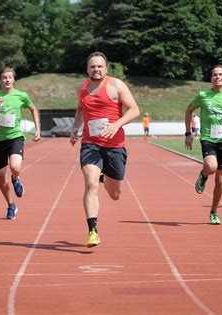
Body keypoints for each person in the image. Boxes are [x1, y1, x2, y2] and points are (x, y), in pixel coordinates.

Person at [70, 52, 140, 247]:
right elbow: (80, 108)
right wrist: (76, 127)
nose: (96, 69)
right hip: (90, 144)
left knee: (115, 194)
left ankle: (104, 177)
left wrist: (116, 124)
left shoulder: (116, 85)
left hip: (114, 146)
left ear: (106, 69)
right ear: (87, 69)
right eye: (93, 66)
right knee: (90, 183)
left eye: (100, 66)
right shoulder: (81, 88)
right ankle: (93, 230)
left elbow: (134, 109)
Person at [185, 65, 222, 225]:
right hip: (208, 138)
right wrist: (188, 134)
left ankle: (214, 211)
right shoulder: (203, 95)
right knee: (211, 167)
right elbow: (189, 110)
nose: (217, 77)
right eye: (214, 75)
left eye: (220, 74)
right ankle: (203, 175)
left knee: (220, 180)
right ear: (211, 78)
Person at [0, 67, 41, 220]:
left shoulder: (21, 96)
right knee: (0, 176)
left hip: (15, 137)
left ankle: (16, 178)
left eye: (10, 77)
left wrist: (37, 129)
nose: (7, 80)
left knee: (15, 167)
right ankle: (11, 205)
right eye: (4, 77)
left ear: (14, 79)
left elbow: (33, 108)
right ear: (0, 80)